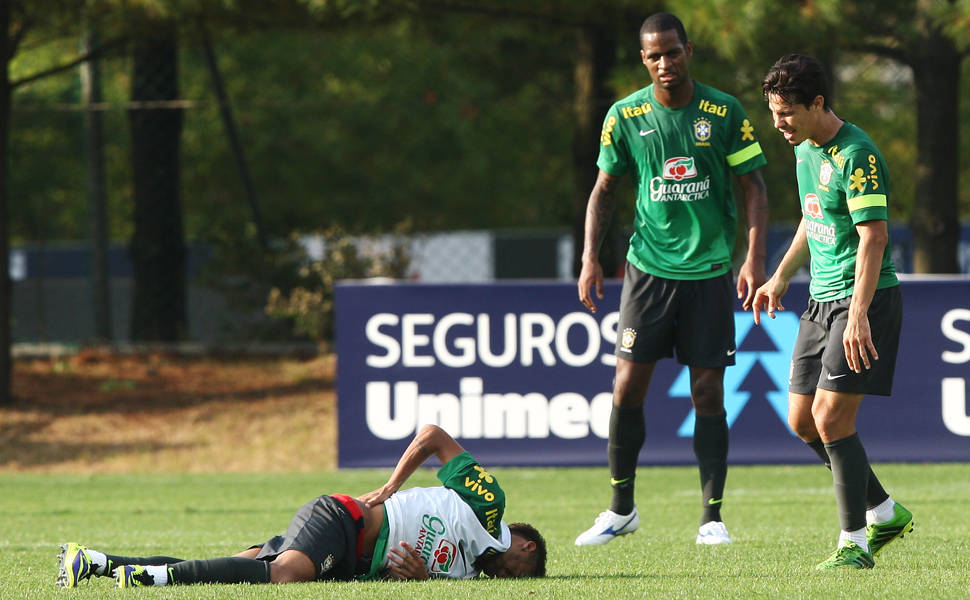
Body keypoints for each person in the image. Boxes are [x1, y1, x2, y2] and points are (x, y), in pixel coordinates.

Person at [575, 12, 769, 547]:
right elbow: (604, 191)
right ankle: (620, 509)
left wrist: (754, 258)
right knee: (627, 386)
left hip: (709, 272)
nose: (665, 63)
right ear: (644, 59)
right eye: (654, 55)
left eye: (673, 52)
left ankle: (711, 518)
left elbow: (753, 187)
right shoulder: (625, 114)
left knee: (707, 392)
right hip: (648, 273)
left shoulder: (722, 111)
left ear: (689, 49)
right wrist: (591, 257)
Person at [754, 54, 913, 570]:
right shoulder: (805, 150)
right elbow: (811, 216)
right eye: (774, 112)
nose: (778, 124)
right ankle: (884, 510)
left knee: (830, 417)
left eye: (786, 113)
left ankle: (855, 544)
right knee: (802, 421)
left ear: (818, 103)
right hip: (820, 300)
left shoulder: (857, 154)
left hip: (864, 300)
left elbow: (874, 237)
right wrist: (780, 275)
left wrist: (861, 313)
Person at [56, 424, 546, 588]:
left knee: (244, 565)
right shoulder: (488, 508)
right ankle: (152, 580)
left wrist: (418, 579)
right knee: (285, 574)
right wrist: (391, 488)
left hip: (347, 560)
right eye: (522, 570)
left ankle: (97, 564)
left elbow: (409, 571)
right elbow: (433, 436)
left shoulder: (466, 576)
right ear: (525, 543)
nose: (509, 580)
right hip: (344, 519)